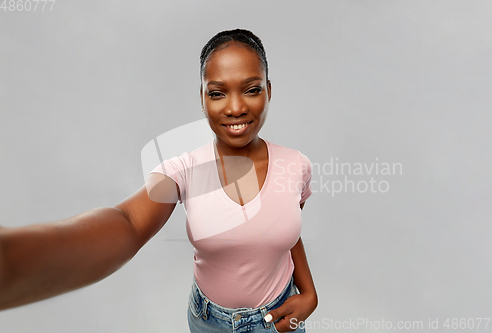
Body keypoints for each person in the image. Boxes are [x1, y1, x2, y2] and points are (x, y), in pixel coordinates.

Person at [0, 28, 317, 332]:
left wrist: (309, 294)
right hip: (209, 321)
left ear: (269, 90)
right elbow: (129, 223)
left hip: (277, 318)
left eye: (251, 89)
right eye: (218, 93)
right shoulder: (184, 169)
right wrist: (15, 261)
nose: (235, 107)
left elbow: (286, 231)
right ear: (203, 98)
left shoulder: (295, 165)